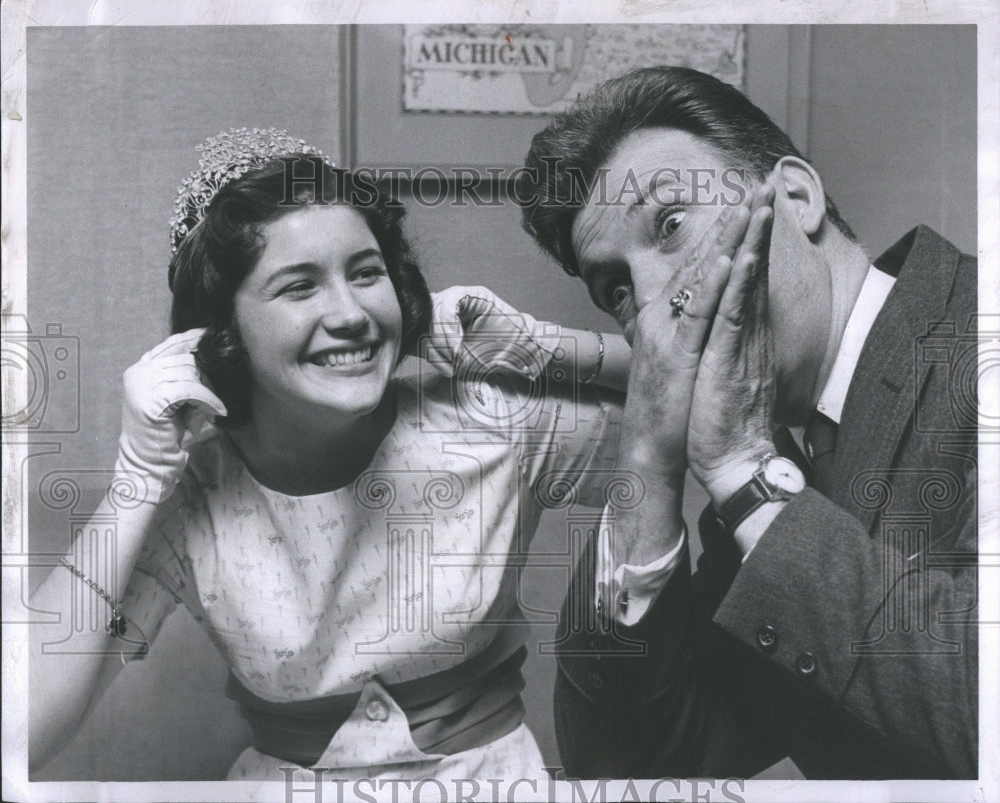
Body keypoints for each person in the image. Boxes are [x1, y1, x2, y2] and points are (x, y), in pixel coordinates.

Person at [29, 128, 632, 783]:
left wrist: (554, 351)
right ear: (222, 331)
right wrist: (134, 484)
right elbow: (16, 734)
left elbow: (726, 414)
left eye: (366, 273)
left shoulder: (491, 418)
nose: (350, 314)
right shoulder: (193, 493)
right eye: (298, 287)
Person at [519, 67, 978, 779]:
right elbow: (628, 766)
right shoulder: (772, 474)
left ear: (796, 197)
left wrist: (741, 471)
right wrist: (647, 461)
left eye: (671, 225)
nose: (650, 305)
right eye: (616, 290)